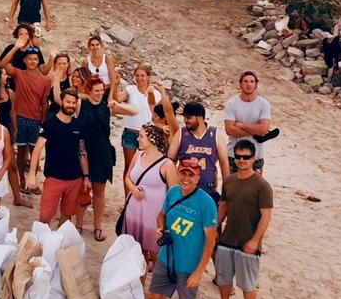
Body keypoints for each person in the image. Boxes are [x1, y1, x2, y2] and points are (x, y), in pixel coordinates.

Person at [121, 157, 218, 299]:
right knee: (154, 296)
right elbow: (161, 215)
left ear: (198, 177)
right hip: (167, 257)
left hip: (188, 265)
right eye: (183, 173)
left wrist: (200, 271)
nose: (185, 178)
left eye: (190, 174)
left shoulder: (206, 203)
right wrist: (161, 228)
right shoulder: (173, 192)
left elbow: (211, 240)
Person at [213, 138, 274, 299]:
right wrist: (215, 229)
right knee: (223, 277)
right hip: (227, 238)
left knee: (248, 282)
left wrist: (255, 241)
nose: (241, 160)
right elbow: (223, 206)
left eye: (245, 157)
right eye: (238, 157)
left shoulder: (262, 186)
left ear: (253, 158)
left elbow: (266, 216)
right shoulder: (229, 181)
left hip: (248, 241)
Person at [0, 35, 53, 195]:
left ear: (38, 61)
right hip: (20, 118)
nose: (33, 61)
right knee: (20, 152)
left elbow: (44, 102)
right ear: (25, 61)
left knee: (35, 152)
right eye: (30, 59)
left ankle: (32, 181)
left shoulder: (45, 80)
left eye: (35, 59)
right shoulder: (19, 74)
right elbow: (3, 64)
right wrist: (15, 47)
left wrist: (43, 121)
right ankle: (21, 180)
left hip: (36, 120)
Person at [120, 123, 179, 268]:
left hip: (154, 219)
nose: (137, 139)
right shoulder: (138, 155)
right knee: (137, 256)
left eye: (141, 136)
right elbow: (127, 177)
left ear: (152, 139)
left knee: (158, 257)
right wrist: (132, 188)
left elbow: (175, 195)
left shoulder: (167, 165)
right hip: (134, 213)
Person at [26, 89, 88, 225]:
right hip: (54, 178)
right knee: (45, 217)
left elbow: (82, 151)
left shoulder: (79, 125)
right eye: (68, 102)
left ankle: (60, 242)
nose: (71, 105)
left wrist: (86, 176)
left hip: (75, 179)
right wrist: (31, 175)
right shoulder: (49, 124)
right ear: (61, 101)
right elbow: (37, 150)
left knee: (67, 216)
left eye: (73, 103)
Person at [0, 65, 29, 207]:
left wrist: (15, 129)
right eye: (3, 74)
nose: (6, 76)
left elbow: (12, 112)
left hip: (6, 130)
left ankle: (17, 197)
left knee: (11, 165)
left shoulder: (10, 92)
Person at [77, 73, 115, 240]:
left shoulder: (107, 106)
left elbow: (132, 111)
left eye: (102, 90)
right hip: (84, 150)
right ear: (89, 91)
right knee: (82, 189)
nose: (100, 93)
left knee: (99, 191)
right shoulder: (81, 103)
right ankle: (78, 224)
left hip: (102, 152)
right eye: (97, 90)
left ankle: (97, 227)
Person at [112, 63, 161, 180]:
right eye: (137, 75)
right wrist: (116, 84)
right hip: (130, 132)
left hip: (148, 134)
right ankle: (127, 197)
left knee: (145, 167)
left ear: (148, 77)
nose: (139, 78)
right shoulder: (130, 89)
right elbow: (117, 99)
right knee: (129, 167)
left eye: (142, 75)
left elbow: (157, 114)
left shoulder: (156, 93)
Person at [178, 102, 229, 202]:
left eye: (188, 118)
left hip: (208, 191)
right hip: (184, 191)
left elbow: (224, 163)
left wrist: (226, 192)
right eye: (184, 117)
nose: (185, 121)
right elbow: (170, 161)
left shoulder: (215, 134)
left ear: (200, 118)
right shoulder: (181, 133)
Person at [224, 71, 274, 171]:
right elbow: (230, 130)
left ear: (256, 84)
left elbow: (263, 129)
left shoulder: (264, 104)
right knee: (232, 186)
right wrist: (255, 129)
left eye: (252, 81)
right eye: (245, 81)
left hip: (256, 155)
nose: (249, 84)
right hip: (234, 155)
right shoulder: (231, 104)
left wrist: (240, 125)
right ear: (240, 84)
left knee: (255, 186)